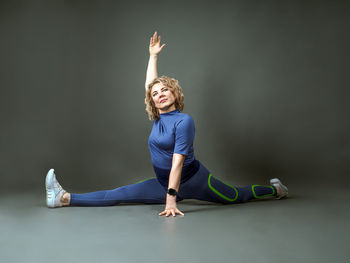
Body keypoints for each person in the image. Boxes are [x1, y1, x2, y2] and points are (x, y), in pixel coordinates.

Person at [45, 31, 288, 217]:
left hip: (195, 180)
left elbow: (178, 163)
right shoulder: (159, 117)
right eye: (155, 93)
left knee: (236, 196)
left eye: (165, 90)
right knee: (118, 194)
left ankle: (276, 190)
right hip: (163, 183)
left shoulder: (184, 121)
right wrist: (153, 56)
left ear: (175, 93)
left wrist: (171, 199)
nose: (159, 94)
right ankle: (63, 198)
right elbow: (149, 85)